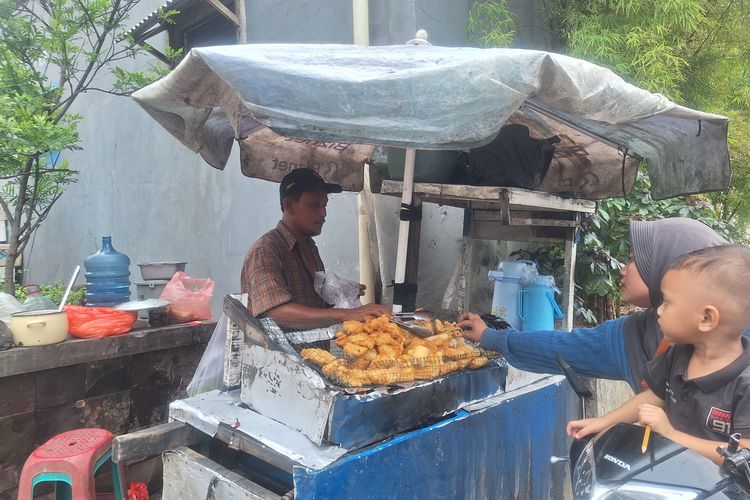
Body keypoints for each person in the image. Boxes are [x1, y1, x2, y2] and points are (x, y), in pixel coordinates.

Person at [458, 217, 728, 392]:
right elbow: (563, 348)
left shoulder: (738, 339)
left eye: (635, 260)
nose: (623, 270)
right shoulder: (636, 335)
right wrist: (491, 337)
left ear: (675, 265)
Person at [566, 245, 750, 464]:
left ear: (706, 319)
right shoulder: (679, 353)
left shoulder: (745, 383)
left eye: (668, 303)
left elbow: (745, 453)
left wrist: (672, 435)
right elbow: (656, 396)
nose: (659, 311)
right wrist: (605, 422)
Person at [241, 168, 390, 329]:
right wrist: (348, 314)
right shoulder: (265, 250)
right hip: (274, 354)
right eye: (315, 205)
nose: (323, 214)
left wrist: (339, 293)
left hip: (314, 353)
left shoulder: (309, 247)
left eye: (324, 205)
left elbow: (313, 307)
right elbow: (276, 313)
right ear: (289, 205)